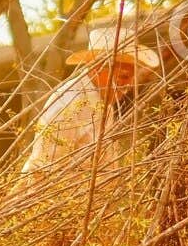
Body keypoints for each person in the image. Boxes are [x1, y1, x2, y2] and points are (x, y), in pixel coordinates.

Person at [20, 30, 162, 176]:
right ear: (97, 68)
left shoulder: (104, 102)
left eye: (131, 77)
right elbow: (44, 172)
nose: (129, 85)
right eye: (124, 76)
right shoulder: (68, 105)